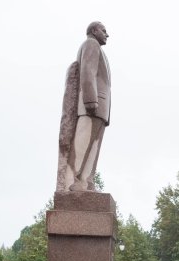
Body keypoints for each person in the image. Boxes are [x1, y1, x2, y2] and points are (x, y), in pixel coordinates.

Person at [58, 21, 111, 192]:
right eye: (104, 30)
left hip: (101, 108)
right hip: (92, 104)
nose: (107, 34)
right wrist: (90, 100)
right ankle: (70, 181)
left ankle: (86, 182)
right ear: (94, 31)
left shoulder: (98, 48)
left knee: (93, 147)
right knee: (82, 144)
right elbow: (87, 71)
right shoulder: (91, 44)